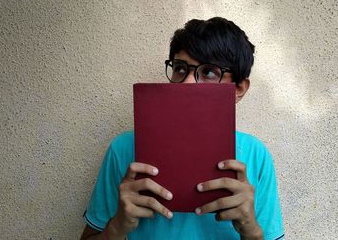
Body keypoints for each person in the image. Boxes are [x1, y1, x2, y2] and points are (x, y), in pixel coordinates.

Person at [80, 17, 284, 240]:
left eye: (208, 73)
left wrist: (251, 231)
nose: (187, 82)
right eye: (179, 68)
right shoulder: (124, 148)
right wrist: (117, 227)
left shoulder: (255, 155)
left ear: (239, 89)